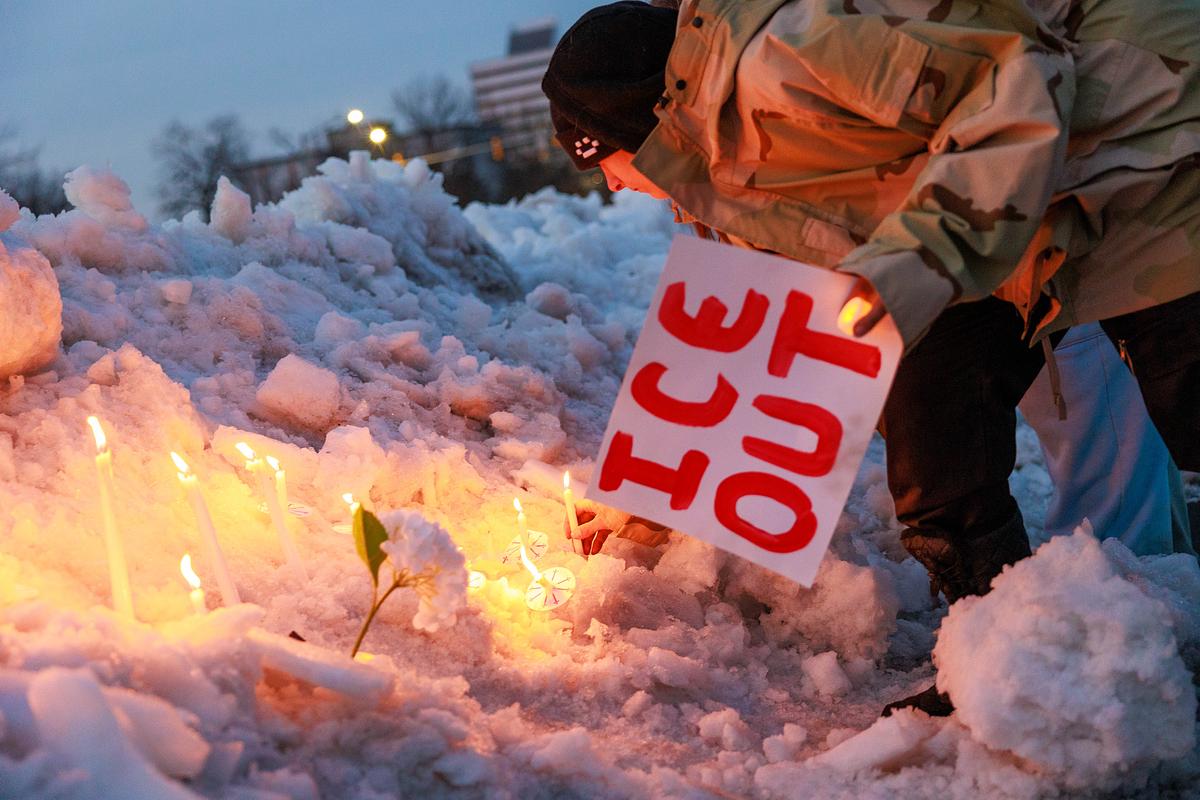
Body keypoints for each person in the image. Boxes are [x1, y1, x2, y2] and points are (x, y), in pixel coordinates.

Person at [542, 0, 1200, 715]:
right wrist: (650, 493)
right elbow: (770, 334)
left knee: (1182, 403)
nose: (609, 185)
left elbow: (1018, 80)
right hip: (1008, 212)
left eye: (599, 157)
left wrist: (908, 267)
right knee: (934, 434)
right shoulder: (717, 151)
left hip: (1153, 140)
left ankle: (1122, 635)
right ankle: (1015, 664)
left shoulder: (783, 62)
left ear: (632, 126)